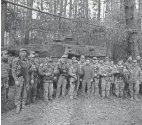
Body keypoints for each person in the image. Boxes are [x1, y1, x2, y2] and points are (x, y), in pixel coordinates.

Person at [12, 48, 34, 114]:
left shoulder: (27, 61)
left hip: (26, 78)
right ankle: (18, 106)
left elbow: (31, 69)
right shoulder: (16, 60)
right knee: (18, 92)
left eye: (25, 52)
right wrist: (16, 80)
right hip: (19, 78)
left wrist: (31, 78)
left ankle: (23, 104)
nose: (24, 53)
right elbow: (13, 71)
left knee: (25, 91)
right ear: (19, 53)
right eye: (22, 52)